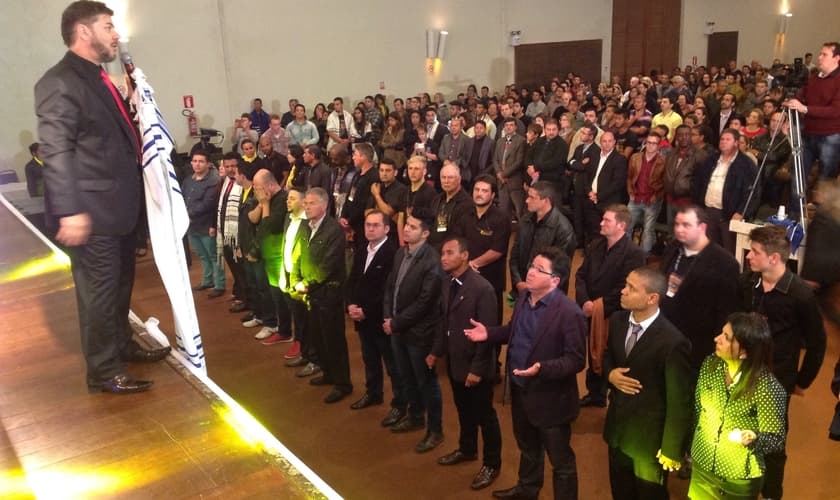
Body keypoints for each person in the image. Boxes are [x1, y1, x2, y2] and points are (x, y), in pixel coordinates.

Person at [35, 0, 168, 394]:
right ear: (84, 31)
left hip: (119, 211)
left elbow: (105, 140)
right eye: (108, 26)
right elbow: (56, 150)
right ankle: (103, 370)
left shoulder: (98, 78)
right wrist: (70, 210)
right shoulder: (59, 82)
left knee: (119, 289)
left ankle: (121, 347)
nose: (115, 35)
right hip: (92, 212)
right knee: (99, 294)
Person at [465, 247, 587, 500]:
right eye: (531, 266)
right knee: (528, 448)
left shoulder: (568, 312)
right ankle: (527, 490)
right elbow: (513, 331)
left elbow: (576, 360)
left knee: (560, 461)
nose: (529, 272)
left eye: (538, 269)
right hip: (521, 391)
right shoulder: (523, 297)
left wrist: (543, 368)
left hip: (550, 399)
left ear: (555, 280)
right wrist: (489, 333)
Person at [737, 225, 827, 499]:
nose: (749, 256)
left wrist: (802, 381)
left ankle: (772, 493)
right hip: (742, 374)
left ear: (774, 258)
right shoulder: (747, 283)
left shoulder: (800, 295)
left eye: (755, 252)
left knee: (772, 445)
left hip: (776, 382)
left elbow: (817, 343)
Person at [602, 268, 693, 500]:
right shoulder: (618, 320)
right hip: (617, 432)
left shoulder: (673, 342)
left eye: (632, 288)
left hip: (648, 443)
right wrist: (610, 374)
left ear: (652, 298)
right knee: (620, 491)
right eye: (626, 284)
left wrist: (672, 450)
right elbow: (607, 357)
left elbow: (679, 402)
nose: (623, 291)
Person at [428, 237, 502, 491]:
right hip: (456, 361)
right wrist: (436, 352)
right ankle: (467, 449)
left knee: (485, 416)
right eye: (442, 253)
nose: (443, 258)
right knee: (463, 410)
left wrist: (477, 370)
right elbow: (444, 322)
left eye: (449, 253)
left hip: (474, 367)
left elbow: (488, 334)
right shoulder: (448, 283)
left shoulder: (483, 289)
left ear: (465, 256)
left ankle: (492, 463)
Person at [688, 313, 787, 500]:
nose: (716, 339)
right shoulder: (710, 364)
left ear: (744, 351)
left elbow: (776, 440)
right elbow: (698, 411)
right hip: (701, 464)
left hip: (736, 478)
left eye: (726, 337)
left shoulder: (767, 387)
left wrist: (754, 438)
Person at [382, 208, 445, 453]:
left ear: (426, 234)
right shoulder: (400, 253)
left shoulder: (432, 262)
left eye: (412, 227)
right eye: (406, 224)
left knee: (426, 382)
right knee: (406, 376)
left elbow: (425, 302)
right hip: (398, 328)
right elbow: (390, 287)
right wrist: (389, 315)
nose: (406, 229)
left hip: (419, 333)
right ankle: (415, 415)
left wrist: (396, 322)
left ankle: (435, 430)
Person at [576, 205, 646, 408]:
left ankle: (615, 397)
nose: (601, 223)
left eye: (606, 220)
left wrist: (599, 305)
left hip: (615, 314)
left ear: (621, 225)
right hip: (591, 309)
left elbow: (625, 287)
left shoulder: (633, 254)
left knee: (613, 355)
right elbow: (580, 275)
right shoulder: (596, 245)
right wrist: (585, 302)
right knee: (594, 351)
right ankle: (595, 393)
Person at [660, 205, 739, 371]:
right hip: (666, 334)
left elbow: (725, 311)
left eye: (686, 225)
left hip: (698, 343)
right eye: (677, 224)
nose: (679, 229)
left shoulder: (725, 263)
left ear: (702, 227)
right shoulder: (673, 249)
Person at [291, 188, 352, 403]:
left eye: (311, 203)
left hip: (328, 293)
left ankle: (342, 383)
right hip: (310, 294)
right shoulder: (304, 227)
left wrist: (307, 284)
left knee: (333, 339)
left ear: (324, 206)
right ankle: (328, 373)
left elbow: (329, 264)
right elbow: (297, 254)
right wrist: (295, 279)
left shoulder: (334, 231)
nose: (306, 207)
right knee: (317, 336)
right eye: (305, 203)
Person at [345, 210, 404, 412]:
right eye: (368, 225)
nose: (370, 228)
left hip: (380, 319)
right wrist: (351, 304)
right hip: (361, 317)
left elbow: (387, 290)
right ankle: (373, 393)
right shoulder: (362, 249)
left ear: (386, 228)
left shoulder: (392, 254)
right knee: (369, 359)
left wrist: (366, 311)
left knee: (392, 365)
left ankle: (400, 404)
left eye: (375, 225)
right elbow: (353, 279)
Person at [509, 182, 577, 296]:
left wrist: (533, 286)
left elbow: (559, 269)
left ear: (546, 200)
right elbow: (515, 255)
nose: (526, 201)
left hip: (547, 295)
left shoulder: (564, 229)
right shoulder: (525, 220)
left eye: (531, 197)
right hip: (522, 288)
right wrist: (518, 282)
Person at [784, 42, 840, 179]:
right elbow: (800, 97)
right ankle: (796, 201)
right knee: (798, 176)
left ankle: (819, 202)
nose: (819, 57)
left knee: (825, 179)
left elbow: (835, 111)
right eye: (820, 54)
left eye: (824, 54)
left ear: (837, 58)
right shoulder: (814, 78)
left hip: (830, 135)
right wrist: (788, 114)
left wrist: (805, 109)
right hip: (808, 133)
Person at [183, 151, 224, 298]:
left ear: (208, 164)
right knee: (202, 254)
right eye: (194, 161)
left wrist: (186, 212)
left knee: (214, 255)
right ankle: (207, 280)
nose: (197, 164)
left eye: (201, 161)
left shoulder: (213, 181)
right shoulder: (188, 181)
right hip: (192, 224)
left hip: (207, 224)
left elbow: (208, 204)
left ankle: (219, 284)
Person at [493, 117, 527, 221]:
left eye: (511, 125)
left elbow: (519, 161)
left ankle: (521, 234)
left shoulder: (521, 141)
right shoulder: (499, 141)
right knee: (503, 211)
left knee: (519, 210)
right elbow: (495, 159)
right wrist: (499, 173)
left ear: (515, 127)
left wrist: (504, 174)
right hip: (501, 182)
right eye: (506, 125)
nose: (508, 127)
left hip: (514, 181)